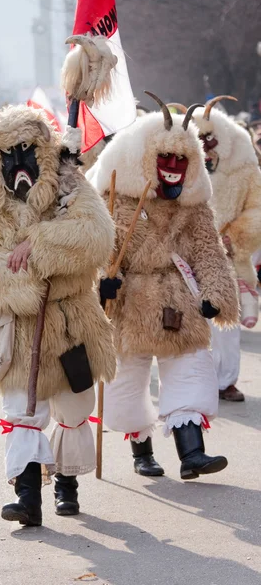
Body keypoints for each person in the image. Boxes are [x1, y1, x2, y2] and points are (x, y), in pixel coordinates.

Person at [0, 104, 116, 526]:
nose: (16, 163)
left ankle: (66, 480)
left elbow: (97, 236)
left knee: (75, 406)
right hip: (18, 324)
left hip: (70, 319)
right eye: (6, 154)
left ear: (41, 148)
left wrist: (41, 243)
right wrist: (25, 286)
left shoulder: (69, 181)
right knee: (22, 409)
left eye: (25, 150)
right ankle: (28, 497)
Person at [90, 94, 239, 480]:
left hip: (180, 300)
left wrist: (215, 296)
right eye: (165, 159)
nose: (173, 168)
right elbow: (105, 251)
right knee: (127, 379)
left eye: (181, 161)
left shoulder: (194, 207)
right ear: (147, 159)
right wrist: (105, 284)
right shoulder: (117, 200)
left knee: (189, 368)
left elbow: (208, 251)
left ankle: (192, 454)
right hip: (131, 303)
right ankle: (142, 452)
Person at [193, 97, 261, 401]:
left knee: (226, 324)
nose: (205, 144)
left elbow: (257, 209)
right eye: (200, 138)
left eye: (210, 138)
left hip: (229, 258)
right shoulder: (186, 166)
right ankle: (197, 382)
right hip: (188, 257)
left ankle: (226, 380)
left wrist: (234, 236)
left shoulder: (245, 167)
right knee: (192, 323)